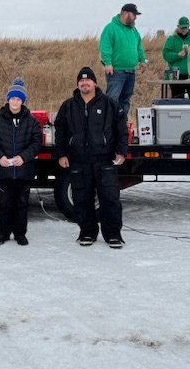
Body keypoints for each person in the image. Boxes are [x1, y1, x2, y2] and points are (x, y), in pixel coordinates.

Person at [54, 67, 129, 248]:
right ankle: (87, 232)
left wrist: (121, 151)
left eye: (88, 80)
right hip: (79, 160)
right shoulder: (68, 106)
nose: (84, 83)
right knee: (82, 199)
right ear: (78, 84)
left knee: (110, 199)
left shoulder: (110, 104)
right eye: (81, 81)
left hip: (105, 160)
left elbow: (121, 130)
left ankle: (113, 235)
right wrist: (61, 154)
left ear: (95, 83)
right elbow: (60, 132)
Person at [0, 77, 42, 246]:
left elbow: (36, 143)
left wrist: (24, 157)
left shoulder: (31, 121)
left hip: (24, 172)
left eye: (18, 99)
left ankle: (20, 234)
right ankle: (3, 233)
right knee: (4, 204)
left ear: (23, 101)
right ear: (8, 100)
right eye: (12, 98)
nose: (15, 102)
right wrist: (0, 157)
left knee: (21, 204)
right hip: (4, 172)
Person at [98, 3, 148, 117]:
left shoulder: (133, 30)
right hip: (116, 72)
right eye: (134, 14)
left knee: (125, 100)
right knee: (112, 99)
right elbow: (105, 46)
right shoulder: (110, 28)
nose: (135, 17)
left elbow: (139, 46)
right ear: (126, 13)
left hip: (131, 71)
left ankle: (122, 125)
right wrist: (108, 63)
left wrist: (142, 60)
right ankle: (109, 125)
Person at [161, 16, 190, 113]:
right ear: (178, 27)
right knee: (177, 102)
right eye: (182, 28)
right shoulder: (171, 39)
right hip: (176, 75)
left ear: (188, 27)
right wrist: (177, 55)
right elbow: (165, 54)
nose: (184, 30)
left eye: (185, 27)